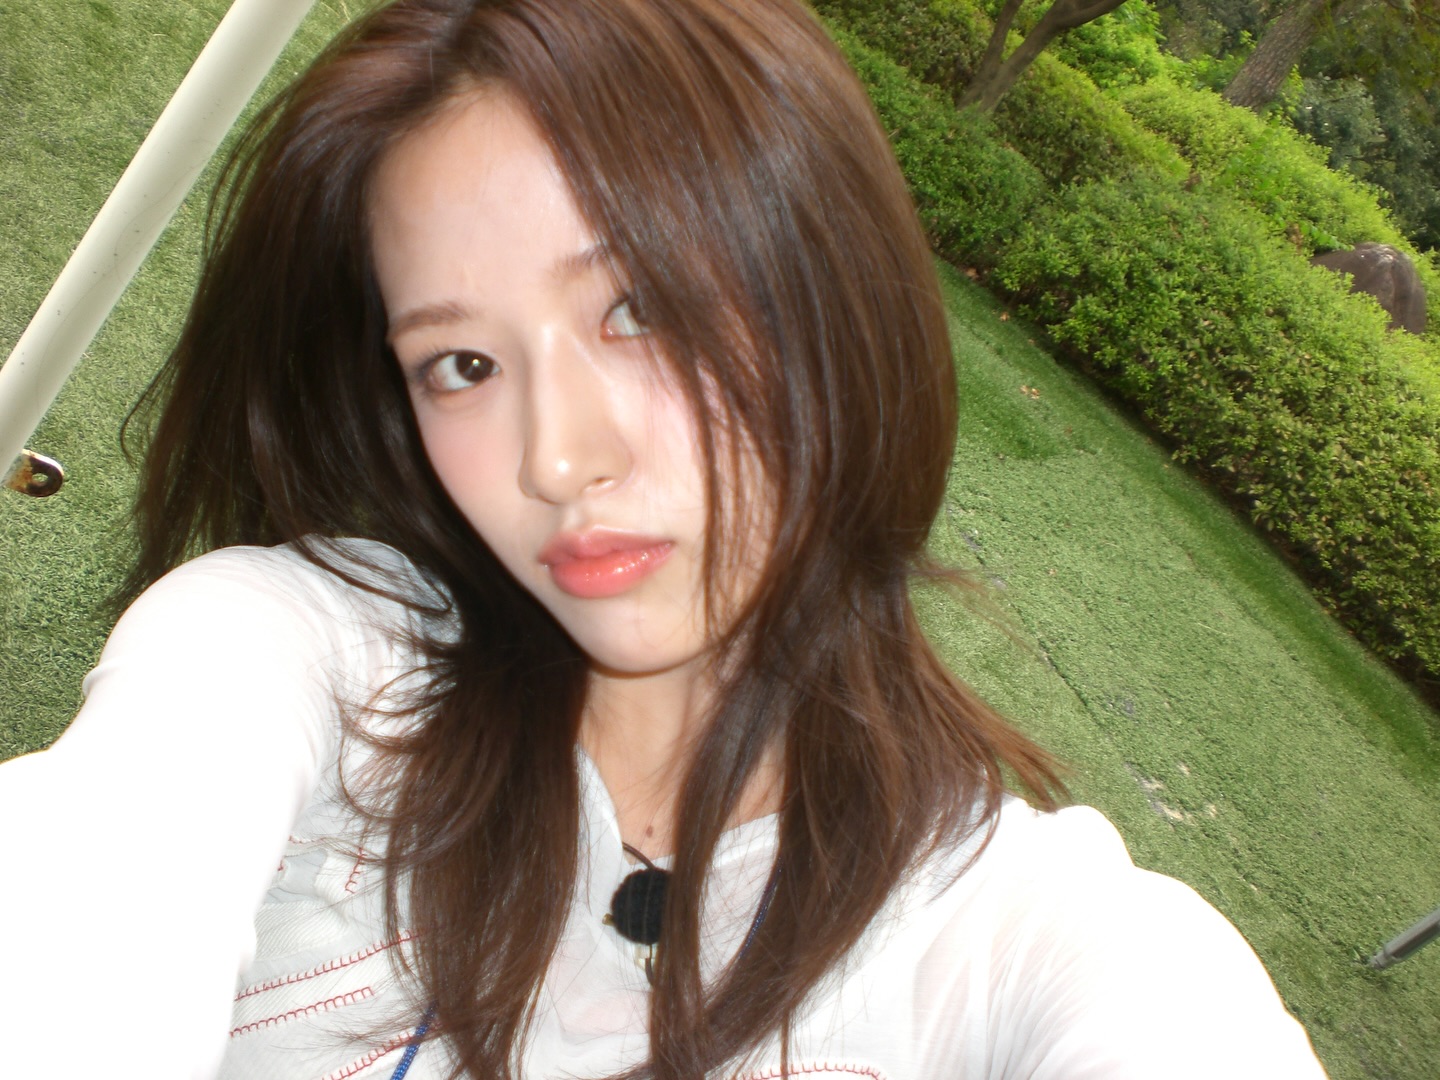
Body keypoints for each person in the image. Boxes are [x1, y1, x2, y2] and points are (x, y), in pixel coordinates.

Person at [0, 0, 1327, 1077]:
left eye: (637, 308)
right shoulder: (298, 659)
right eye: (462, 364)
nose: (555, 458)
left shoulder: (1019, 943)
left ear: (827, 288)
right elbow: (97, 884)